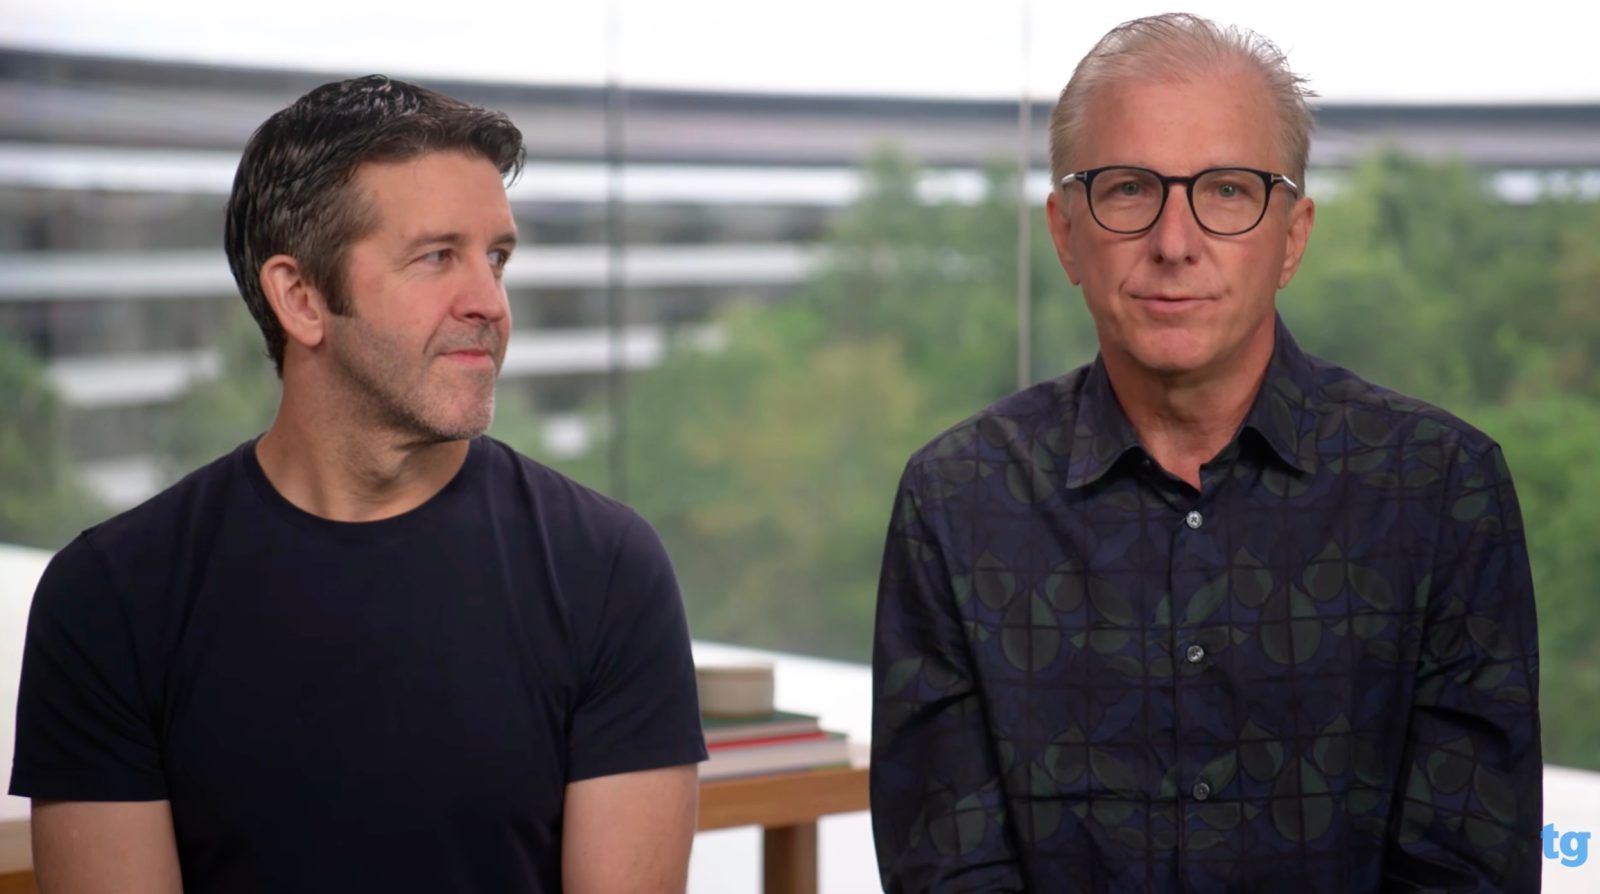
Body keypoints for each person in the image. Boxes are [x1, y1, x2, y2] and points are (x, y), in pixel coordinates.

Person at [870, 13, 1540, 892]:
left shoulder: (1440, 489)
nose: (1175, 243)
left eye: (1226, 191)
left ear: (1292, 237)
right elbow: (947, 872)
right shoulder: (957, 501)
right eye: (1127, 189)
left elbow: (1469, 870)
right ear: (1065, 233)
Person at [10, 76, 706, 894]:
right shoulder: (109, 598)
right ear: (301, 298)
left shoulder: (608, 570)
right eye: (437, 256)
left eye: (496, 258)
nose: (489, 302)